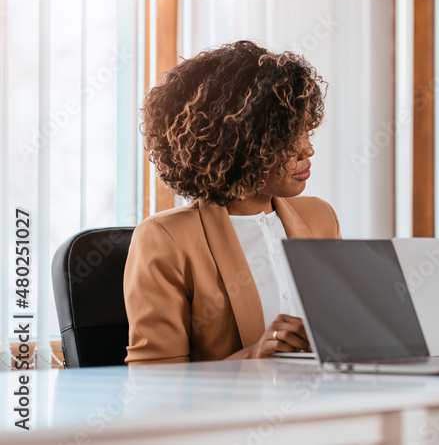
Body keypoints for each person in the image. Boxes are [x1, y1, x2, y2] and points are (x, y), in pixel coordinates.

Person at [124, 41, 342, 364]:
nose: (307, 150)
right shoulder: (164, 240)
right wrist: (253, 357)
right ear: (240, 145)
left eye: (306, 130)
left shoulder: (320, 218)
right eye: (288, 136)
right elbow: (153, 384)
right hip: (235, 415)